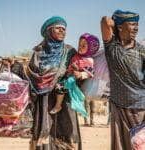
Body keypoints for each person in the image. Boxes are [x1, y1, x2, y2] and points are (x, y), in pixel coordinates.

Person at [24, 16, 82, 150]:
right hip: (43, 101)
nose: (62, 31)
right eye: (58, 28)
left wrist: (76, 75)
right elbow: (32, 76)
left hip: (64, 99)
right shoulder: (38, 52)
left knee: (67, 131)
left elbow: (79, 70)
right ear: (49, 31)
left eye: (64, 29)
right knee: (45, 131)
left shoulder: (70, 51)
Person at [101, 10, 145, 150]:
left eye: (137, 24)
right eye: (132, 24)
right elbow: (105, 21)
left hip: (140, 107)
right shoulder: (112, 47)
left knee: (139, 145)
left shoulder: (142, 51)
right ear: (120, 27)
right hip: (118, 105)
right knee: (121, 145)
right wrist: (114, 24)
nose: (136, 28)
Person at [50, 33, 99, 115]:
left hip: (76, 80)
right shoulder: (76, 55)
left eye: (83, 46)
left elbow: (90, 73)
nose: (80, 47)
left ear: (91, 49)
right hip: (69, 77)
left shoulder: (88, 60)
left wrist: (81, 74)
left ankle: (58, 105)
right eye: (79, 44)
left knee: (59, 87)